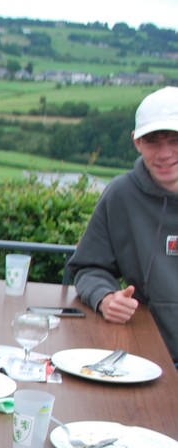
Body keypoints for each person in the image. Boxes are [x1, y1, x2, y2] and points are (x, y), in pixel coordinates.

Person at [68, 86, 178, 363]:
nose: (165, 153)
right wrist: (105, 298)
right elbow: (89, 267)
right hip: (146, 357)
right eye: (153, 141)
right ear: (136, 142)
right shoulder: (121, 194)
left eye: (175, 139)